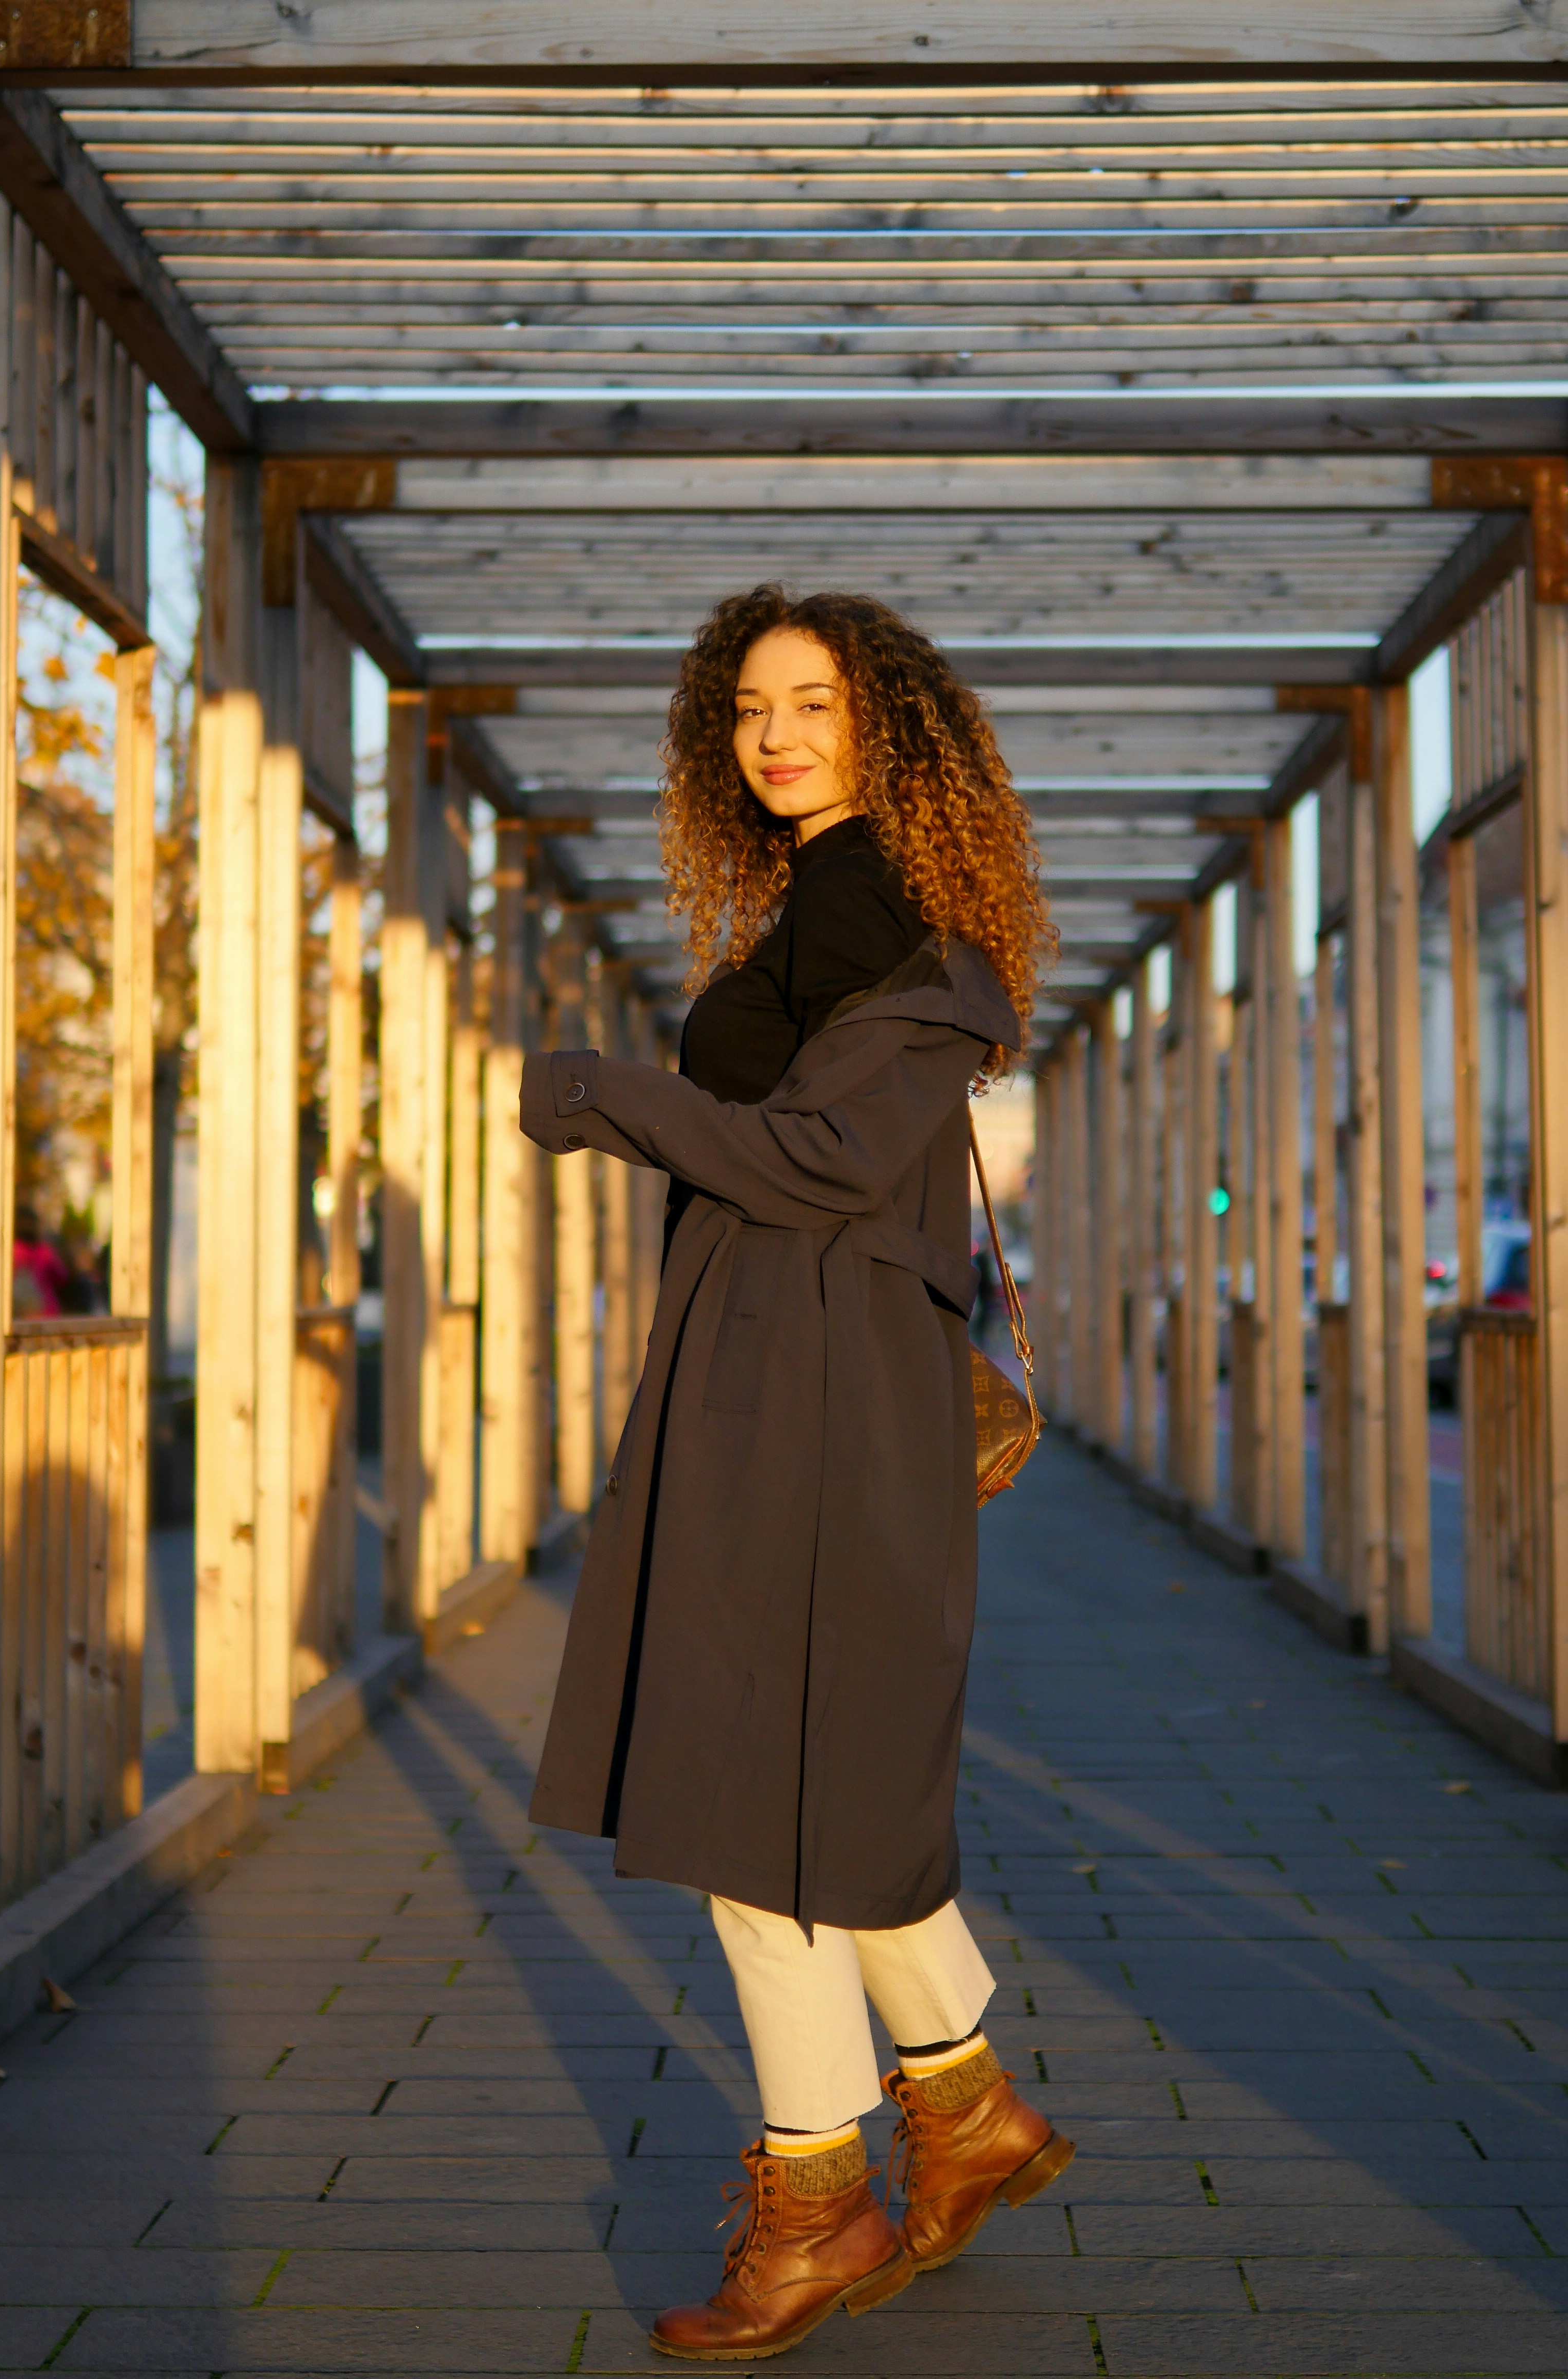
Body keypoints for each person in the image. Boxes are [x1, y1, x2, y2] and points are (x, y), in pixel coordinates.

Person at [520, 585, 1070, 2362]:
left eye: (815, 703)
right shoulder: (828, 908)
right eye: (751, 707)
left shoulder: (884, 914)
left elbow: (827, 1156)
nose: (776, 735)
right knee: (806, 1790)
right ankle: (968, 2115)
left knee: (761, 1803)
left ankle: (817, 2206)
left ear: (886, 724)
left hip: (823, 1404)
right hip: (800, 1388)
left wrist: (605, 1089)